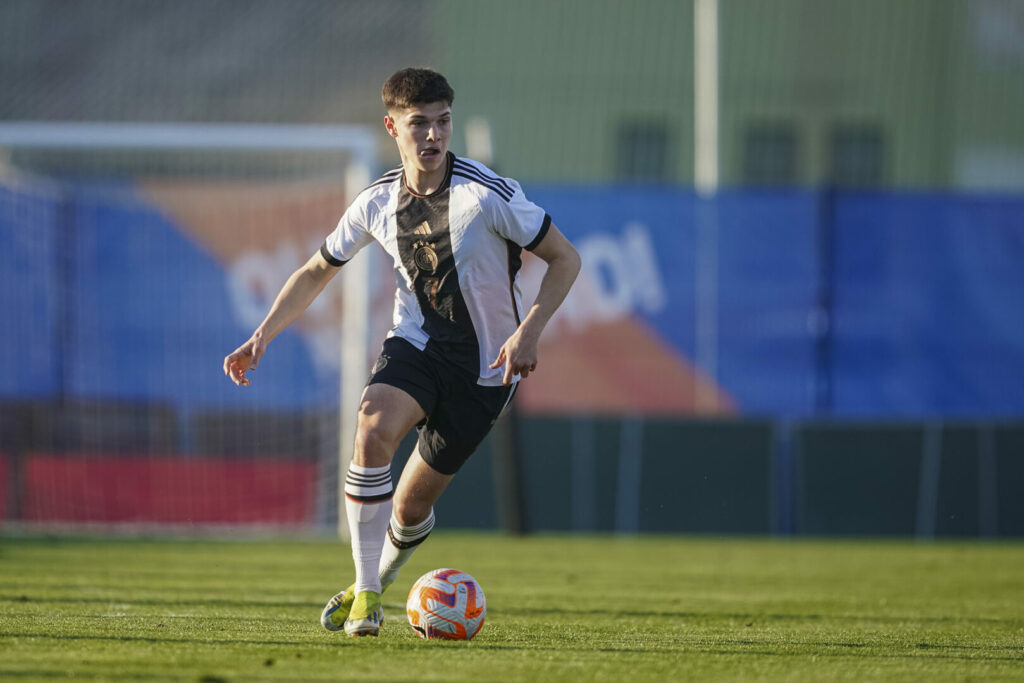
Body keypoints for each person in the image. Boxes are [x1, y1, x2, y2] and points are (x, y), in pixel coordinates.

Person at [223, 67, 580, 637]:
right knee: (369, 429)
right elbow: (318, 269)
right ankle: (367, 596)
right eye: (420, 124)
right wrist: (264, 333)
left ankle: (375, 582)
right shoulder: (375, 201)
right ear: (392, 126)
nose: (434, 136)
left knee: (410, 510)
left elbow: (567, 258)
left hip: (487, 371)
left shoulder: (487, 195)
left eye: (443, 122)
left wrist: (530, 330)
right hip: (415, 346)